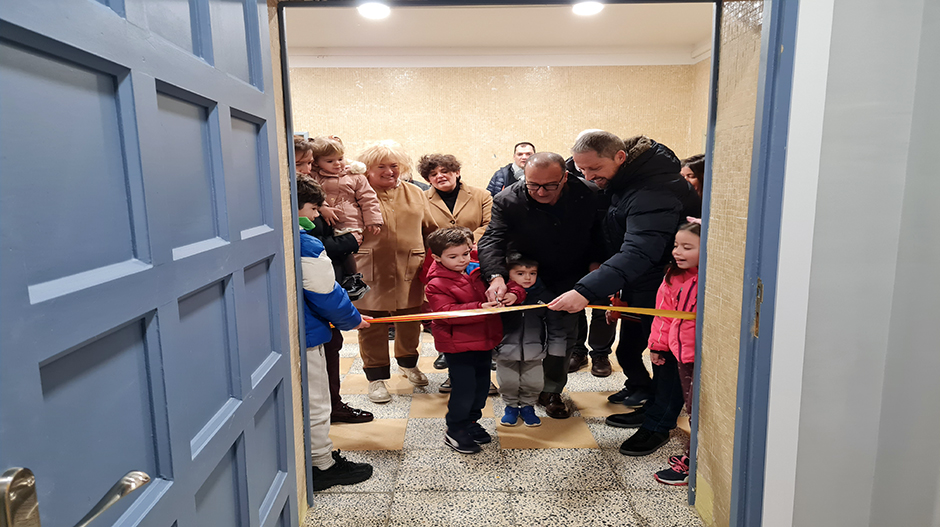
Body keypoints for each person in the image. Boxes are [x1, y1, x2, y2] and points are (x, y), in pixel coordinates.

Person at [550, 131, 700, 456]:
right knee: (649, 349)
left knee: (666, 355)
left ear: (620, 157)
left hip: (672, 288)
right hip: (646, 282)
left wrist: (584, 291)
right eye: (582, 170)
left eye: (595, 169)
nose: (589, 177)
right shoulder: (626, 181)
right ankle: (653, 404)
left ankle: (658, 425)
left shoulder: (654, 189)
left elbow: (639, 251)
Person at [478, 151, 605, 419]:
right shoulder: (507, 199)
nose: (540, 191)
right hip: (525, 274)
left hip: (568, 276)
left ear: (565, 177)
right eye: (533, 184)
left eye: (550, 185)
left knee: (562, 337)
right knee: (523, 334)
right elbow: (492, 240)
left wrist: (597, 266)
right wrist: (496, 276)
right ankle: (519, 388)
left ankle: (552, 390)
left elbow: (600, 234)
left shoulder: (588, 194)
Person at [295, 176, 374, 490]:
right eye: (313, 208)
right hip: (309, 335)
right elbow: (326, 293)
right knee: (316, 401)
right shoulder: (306, 244)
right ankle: (322, 465)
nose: (316, 215)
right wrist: (353, 319)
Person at [425, 227, 524, 454]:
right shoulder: (436, 283)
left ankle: (471, 421)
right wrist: (480, 307)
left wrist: (514, 294)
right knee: (464, 388)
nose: (461, 260)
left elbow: (512, 281)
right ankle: (455, 428)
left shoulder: (480, 270)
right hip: (457, 345)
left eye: (465, 254)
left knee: (481, 387)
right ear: (437, 257)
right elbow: (445, 312)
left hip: (484, 340)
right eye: (453, 256)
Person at [294, 141, 372, 424]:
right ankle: (324, 446)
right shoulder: (301, 218)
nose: (306, 170)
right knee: (318, 372)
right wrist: (348, 241)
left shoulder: (314, 197)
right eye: (301, 164)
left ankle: (332, 403)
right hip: (318, 305)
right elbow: (323, 288)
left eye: (309, 164)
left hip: (330, 283)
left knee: (331, 350)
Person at [353, 140, 436, 403]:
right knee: (371, 324)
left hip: (410, 268)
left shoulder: (416, 193)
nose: (390, 171)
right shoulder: (357, 193)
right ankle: (375, 378)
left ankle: (409, 364)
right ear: (367, 170)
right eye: (382, 167)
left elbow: (431, 230)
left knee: (410, 321)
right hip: (369, 268)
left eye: (394, 166)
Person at [417, 153, 494, 375]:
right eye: (433, 174)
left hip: (476, 258)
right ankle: (448, 353)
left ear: (457, 172)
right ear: (428, 179)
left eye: (445, 171)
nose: (440, 176)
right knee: (445, 308)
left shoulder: (482, 195)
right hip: (438, 263)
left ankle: (485, 349)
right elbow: (421, 229)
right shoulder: (421, 198)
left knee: (476, 303)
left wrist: (466, 243)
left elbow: (490, 224)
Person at [639, 219, 701, 483]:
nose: (677, 252)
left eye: (687, 247)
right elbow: (663, 317)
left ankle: (693, 463)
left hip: (701, 356)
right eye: (676, 245)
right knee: (692, 407)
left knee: (699, 409)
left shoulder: (710, 280)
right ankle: (693, 456)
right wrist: (657, 346)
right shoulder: (672, 277)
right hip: (680, 355)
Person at [308, 135, 383, 300]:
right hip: (324, 221)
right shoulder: (314, 177)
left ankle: (352, 278)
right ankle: (335, 281)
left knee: (347, 250)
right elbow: (310, 194)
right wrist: (323, 206)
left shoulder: (355, 176)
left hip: (348, 220)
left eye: (340, 159)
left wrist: (373, 220)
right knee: (331, 253)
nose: (337, 164)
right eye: (330, 161)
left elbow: (369, 199)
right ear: (316, 162)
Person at [496, 253, 566, 428]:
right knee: (508, 381)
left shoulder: (546, 296)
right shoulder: (500, 296)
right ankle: (511, 407)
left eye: (532, 273)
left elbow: (555, 325)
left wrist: (556, 350)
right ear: (508, 273)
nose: (527, 278)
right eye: (520, 273)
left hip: (535, 351)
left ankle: (528, 407)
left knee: (534, 382)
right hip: (505, 350)